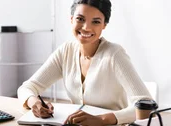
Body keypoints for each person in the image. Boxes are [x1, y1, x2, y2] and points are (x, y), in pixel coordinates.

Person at [17, 0, 153, 125]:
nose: (86, 27)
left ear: (104, 25)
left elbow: (147, 107)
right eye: (80, 19)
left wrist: (102, 119)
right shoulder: (65, 51)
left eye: (96, 22)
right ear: (71, 20)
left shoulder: (115, 55)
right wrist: (34, 102)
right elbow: (26, 88)